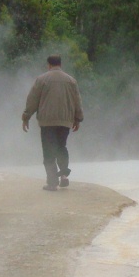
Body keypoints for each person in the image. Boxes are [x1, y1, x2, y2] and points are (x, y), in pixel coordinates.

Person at [21, 55, 84, 191]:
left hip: (47, 121)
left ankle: (52, 182)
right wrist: (78, 119)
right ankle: (64, 177)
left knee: (49, 151)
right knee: (61, 147)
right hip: (65, 121)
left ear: (49, 65)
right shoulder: (71, 81)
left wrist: (26, 116)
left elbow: (33, 99)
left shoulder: (42, 79)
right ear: (60, 64)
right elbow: (77, 101)